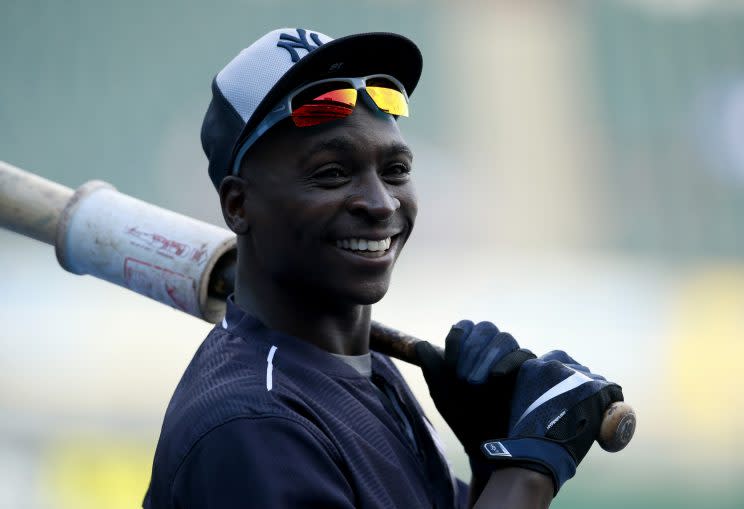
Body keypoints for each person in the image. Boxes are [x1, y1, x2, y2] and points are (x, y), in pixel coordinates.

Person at [143, 28, 623, 508]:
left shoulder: (372, 373)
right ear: (238, 205)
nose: (380, 202)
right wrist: (529, 471)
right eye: (331, 173)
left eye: (395, 170)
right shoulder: (254, 425)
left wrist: (490, 460)